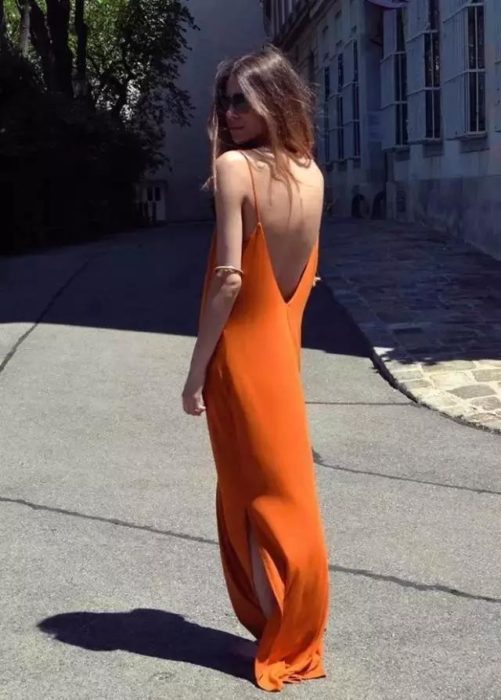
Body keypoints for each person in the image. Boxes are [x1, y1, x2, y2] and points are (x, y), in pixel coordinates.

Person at [182, 44, 330, 692]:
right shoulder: (312, 173)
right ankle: (294, 628)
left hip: (240, 360)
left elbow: (227, 282)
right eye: (226, 101)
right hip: (283, 357)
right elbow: (306, 279)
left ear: (276, 98)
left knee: (249, 499)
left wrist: (194, 373)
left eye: (244, 98)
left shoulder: (235, 167)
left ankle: (280, 637)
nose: (232, 112)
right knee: (288, 496)